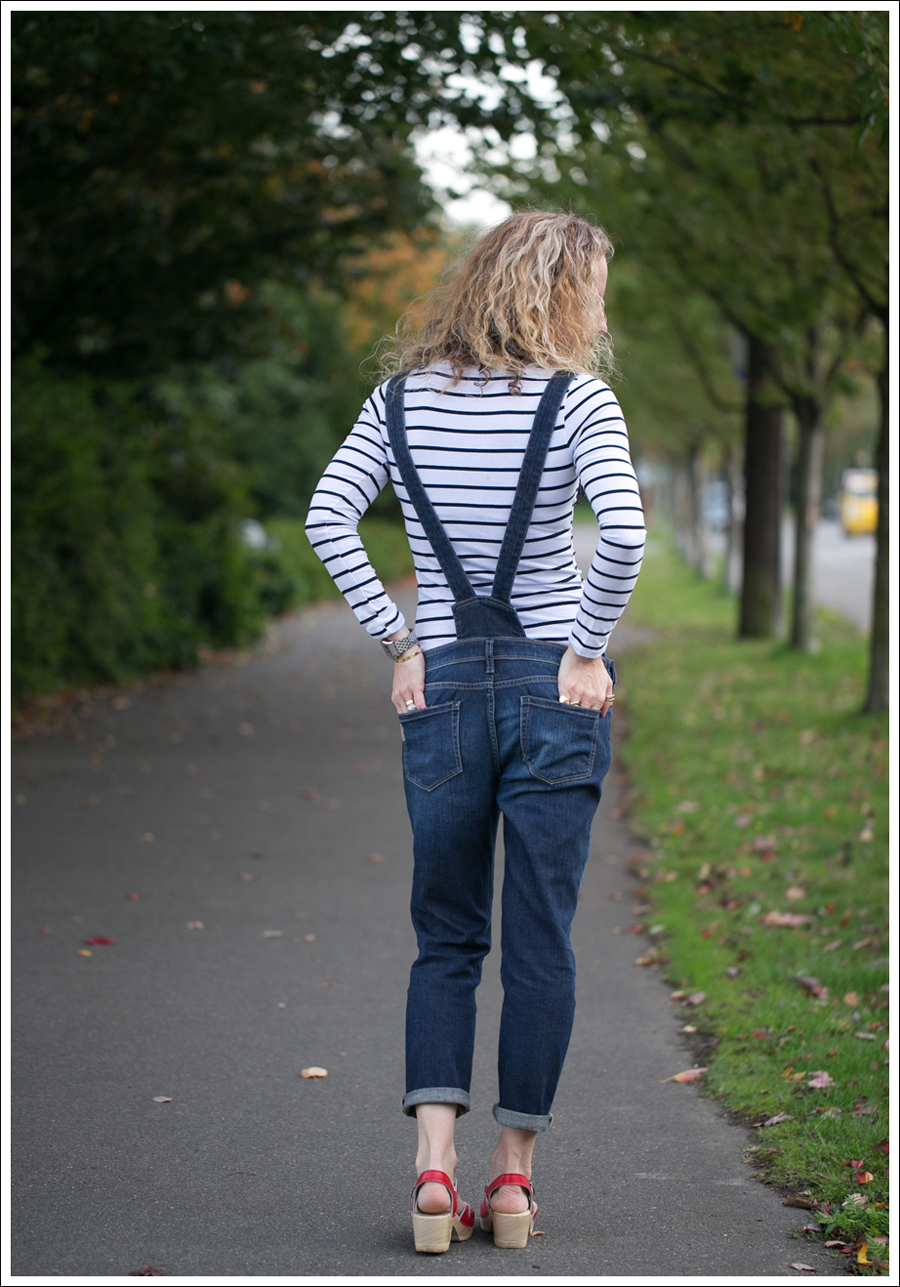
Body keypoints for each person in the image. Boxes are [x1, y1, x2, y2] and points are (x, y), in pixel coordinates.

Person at [305, 210, 645, 1253]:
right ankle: (510, 1188)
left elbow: (328, 514)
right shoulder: (580, 400)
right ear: (556, 291)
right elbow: (624, 532)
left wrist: (399, 640)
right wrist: (584, 650)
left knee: (447, 937)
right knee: (540, 940)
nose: (597, 310)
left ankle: (433, 1175)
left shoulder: (398, 401)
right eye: (590, 287)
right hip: (552, 692)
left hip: (443, 690)